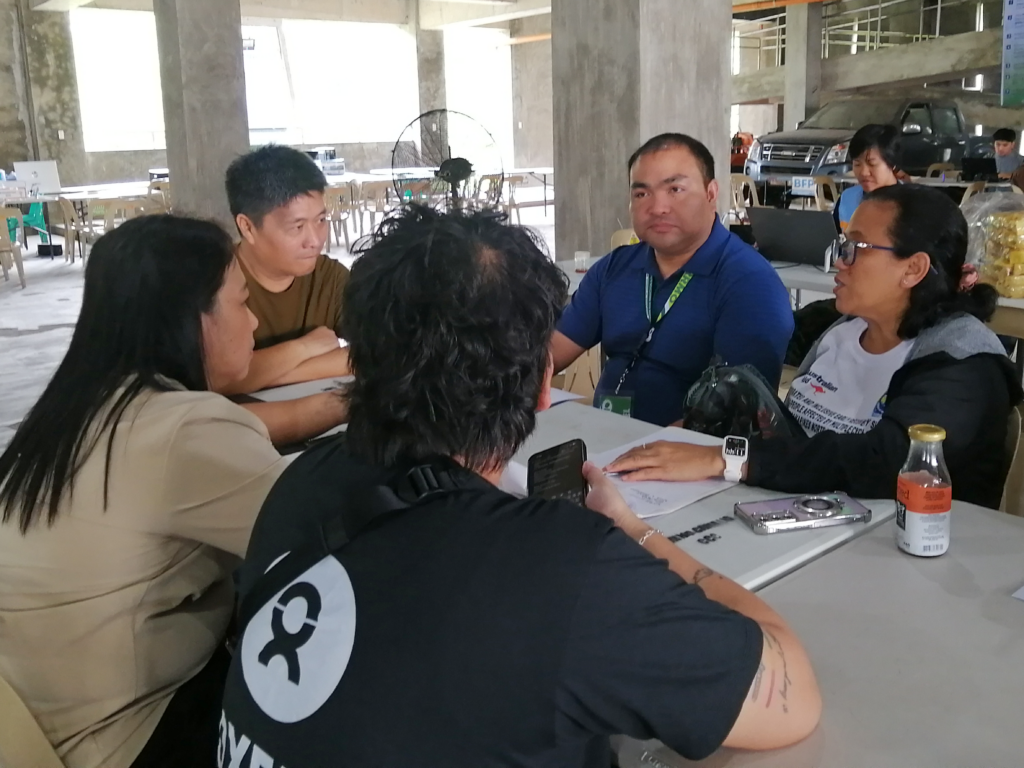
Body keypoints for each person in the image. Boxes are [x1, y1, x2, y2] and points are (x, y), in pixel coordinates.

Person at [219, 205, 821, 768]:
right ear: (542, 385)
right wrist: (630, 532)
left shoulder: (303, 481)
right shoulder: (566, 571)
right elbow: (792, 700)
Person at [0, 216, 294, 768]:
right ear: (193, 319)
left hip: (30, 726)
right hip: (120, 738)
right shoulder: (182, 428)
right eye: (242, 301)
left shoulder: (66, 417)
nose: (253, 321)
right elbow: (315, 530)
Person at [607, 184, 1022, 510]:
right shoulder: (841, 328)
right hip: (795, 508)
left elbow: (888, 462)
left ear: (913, 269)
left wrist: (727, 457)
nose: (838, 261)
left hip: (891, 548)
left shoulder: (963, 362)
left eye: (854, 249)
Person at [550, 133, 794, 426]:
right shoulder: (615, 267)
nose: (657, 207)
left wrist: (645, 447)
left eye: (675, 189)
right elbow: (553, 350)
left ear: (711, 193)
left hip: (686, 455)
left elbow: (737, 409)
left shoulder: (749, 283)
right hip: (607, 434)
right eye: (642, 194)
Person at [221, 145, 352, 445]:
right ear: (248, 227)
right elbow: (212, 382)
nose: (315, 240)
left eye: (321, 220)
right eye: (297, 226)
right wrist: (305, 347)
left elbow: (380, 355)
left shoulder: (329, 278)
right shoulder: (216, 285)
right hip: (241, 445)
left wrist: (264, 370)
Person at [835, 124, 902, 231]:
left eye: (872, 164)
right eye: (857, 164)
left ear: (892, 163)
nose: (864, 173)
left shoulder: (913, 204)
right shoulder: (847, 198)